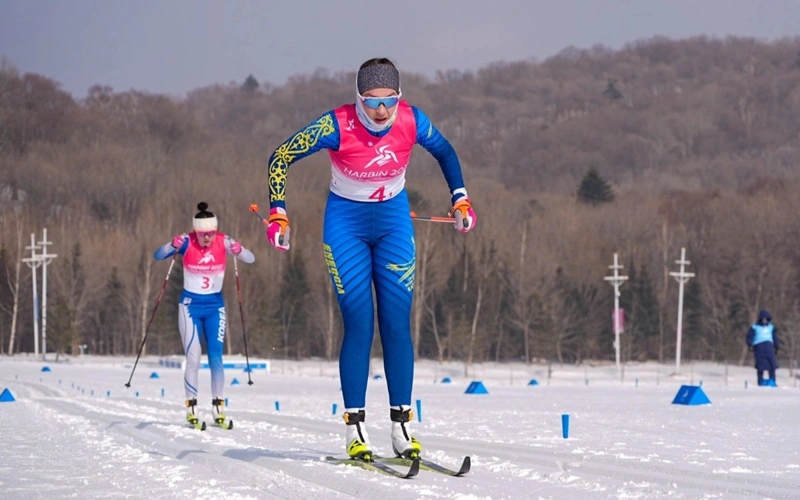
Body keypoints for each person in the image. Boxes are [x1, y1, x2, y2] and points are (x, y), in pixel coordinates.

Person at [262, 57, 476, 460]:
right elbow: (281, 157)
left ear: (400, 97)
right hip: (346, 225)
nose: (381, 110)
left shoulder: (412, 121)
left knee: (396, 320)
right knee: (359, 321)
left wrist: (460, 199)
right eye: (371, 101)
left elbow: (446, 153)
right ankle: (355, 429)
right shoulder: (335, 124)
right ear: (357, 98)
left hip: (394, 221)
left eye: (389, 100)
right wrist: (278, 211)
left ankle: (401, 428)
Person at [154, 202, 255, 427]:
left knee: (216, 358)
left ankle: (218, 406)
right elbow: (158, 255)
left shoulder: (224, 241)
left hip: (215, 306)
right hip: (190, 305)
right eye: (202, 234)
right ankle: (191, 406)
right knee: (193, 357)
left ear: (216, 230)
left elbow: (251, 258)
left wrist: (239, 250)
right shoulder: (187, 241)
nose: (206, 238)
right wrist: (171, 245)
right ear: (196, 231)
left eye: (210, 233)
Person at [745, 310, 781, 386]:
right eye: (763, 319)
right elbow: (749, 336)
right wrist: (750, 344)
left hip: (769, 347)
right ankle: (760, 381)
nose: (764, 321)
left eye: (766, 319)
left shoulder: (771, 327)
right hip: (759, 347)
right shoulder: (754, 327)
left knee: (772, 365)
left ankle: (772, 380)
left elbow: (775, 337)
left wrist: (777, 346)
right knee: (760, 366)